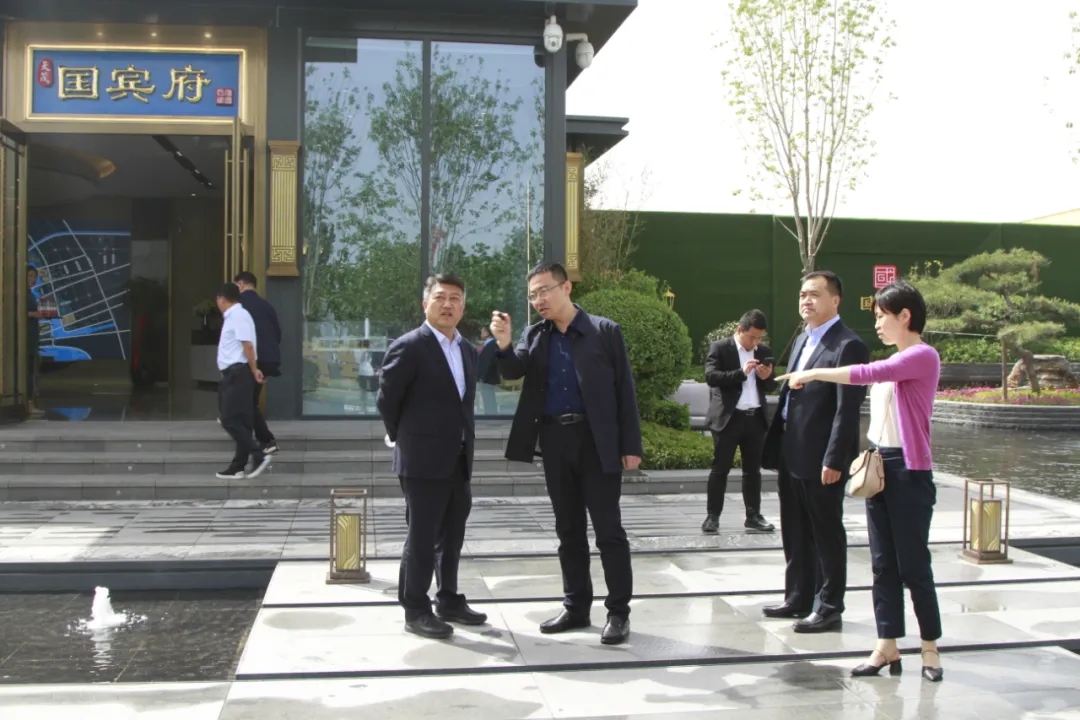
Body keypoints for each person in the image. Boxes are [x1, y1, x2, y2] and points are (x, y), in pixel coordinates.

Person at [777, 279, 944, 682]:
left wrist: (813, 372)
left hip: (909, 470)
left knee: (913, 565)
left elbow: (867, 373)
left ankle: (930, 648)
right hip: (880, 466)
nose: (878, 324)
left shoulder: (922, 356)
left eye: (883, 317)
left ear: (905, 316)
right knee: (883, 564)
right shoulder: (898, 358)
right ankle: (887, 644)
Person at [491, 261, 642, 646]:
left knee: (608, 531)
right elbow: (513, 371)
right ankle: (576, 607)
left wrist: (630, 446)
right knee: (568, 530)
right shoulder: (535, 335)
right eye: (532, 295)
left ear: (566, 288)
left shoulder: (604, 331)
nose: (539, 300)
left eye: (544, 291)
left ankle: (618, 612)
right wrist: (504, 343)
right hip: (555, 441)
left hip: (597, 441)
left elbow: (624, 390)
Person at [377, 273, 486, 640]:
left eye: (455, 298)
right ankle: (416, 609)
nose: (448, 304)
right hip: (422, 459)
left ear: (463, 307)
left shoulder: (467, 350)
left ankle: (449, 600)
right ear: (426, 304)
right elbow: (387, 400)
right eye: (440, 297)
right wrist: (405, 437)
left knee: (452, 536)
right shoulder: (410, 346)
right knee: (421, 538)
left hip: (459, 457)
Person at [760, 270, 869, 633]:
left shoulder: (847, 345)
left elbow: (847, 410)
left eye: (815, 294)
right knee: (794, 528)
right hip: (792, 449)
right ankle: (798, 597)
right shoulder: (802, 340)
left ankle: (829, 607)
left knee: (825, 532)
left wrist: (835, 458)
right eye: (802, 294)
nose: (806, 300)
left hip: (822, 456)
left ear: (835, 300)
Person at [702, 309, 777, 534]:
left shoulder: (763, 351)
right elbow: (711, 377)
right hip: (728, 418)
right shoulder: (720, 348)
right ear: (739, 330)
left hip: (755, 417)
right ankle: (712, 516)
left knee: (753, 470)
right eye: (752, 337)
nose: (755, 342)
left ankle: (753, 515)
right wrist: (741, 373)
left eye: (759, 338)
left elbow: (771, 385)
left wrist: (766, 378)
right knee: (720, 469)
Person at [214, 283, 270, 480]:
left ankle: (257, 454)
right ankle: (238, 466)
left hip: (238, 373)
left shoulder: (238, 315)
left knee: (229, 419)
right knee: (241, 421)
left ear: (222, 299)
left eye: (217, 300)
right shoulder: (234, 316)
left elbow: (248, 346)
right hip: (233, 374)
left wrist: (254, 370)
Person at [235, 271, 282, 455]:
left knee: (245, 401)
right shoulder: (267, 306)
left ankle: (265, 439)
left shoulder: (238, 307)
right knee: (249, 400)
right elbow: (277, 333)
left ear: (240, 284)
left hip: (250, 359)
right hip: (268, 358)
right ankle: (257, 440)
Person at [25, 265, 44, 417]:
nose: (32, 279)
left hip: (32, 338)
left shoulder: (30, 294)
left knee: (32, 371)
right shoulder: (21, 295)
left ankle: (31, 403)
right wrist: (32, 314)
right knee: (28, 372)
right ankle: (28, 404)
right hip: (25, 340)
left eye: (34, 277)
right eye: (29, 276)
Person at [476, 326, 500, 414]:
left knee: (489, 398)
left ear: (487, 333)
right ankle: (490, 414)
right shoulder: (488, 344)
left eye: (482, 332)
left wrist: (482, 376)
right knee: (487, 398)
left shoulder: (491, 344)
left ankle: (491, 415)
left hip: (487, 377)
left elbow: (487, 362)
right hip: (486, 377)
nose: (481, 334)